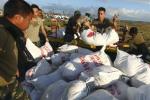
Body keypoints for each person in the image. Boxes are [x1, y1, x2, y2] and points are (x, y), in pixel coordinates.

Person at [0, 0, 33, 99]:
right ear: (18, 18)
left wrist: (13, 68)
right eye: (28, 19)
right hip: (5, 86)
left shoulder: (11, 32)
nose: (29, 23)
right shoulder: (2, 33)